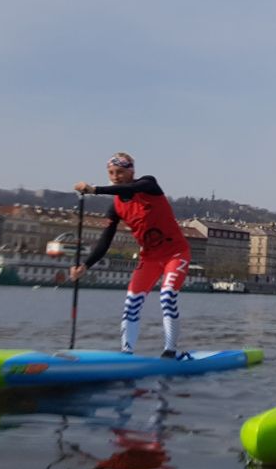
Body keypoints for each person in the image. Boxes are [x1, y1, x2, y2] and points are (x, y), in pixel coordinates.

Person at [70, 153, 191, 358]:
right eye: (111, 173)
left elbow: (130, 189)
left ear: (131, 172)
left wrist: (94, 190)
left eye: (120, 172)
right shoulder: (115, 206)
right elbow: (105, 240)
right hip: (149, 258)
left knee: (167, 296)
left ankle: (170, 350)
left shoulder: (148, 184)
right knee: (131, 303)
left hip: (175, 254)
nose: (115, 176)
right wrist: (85, 265)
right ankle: (126, 354)